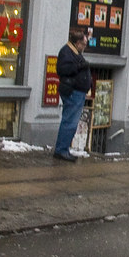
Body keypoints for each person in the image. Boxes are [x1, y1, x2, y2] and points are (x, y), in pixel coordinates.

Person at [53, 28, 91, 162]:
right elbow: (63, 69)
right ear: (77, 43)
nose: (84, 47)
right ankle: (61, 150)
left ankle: (63, 149)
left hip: (77, 92)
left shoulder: (74, 52)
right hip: (72, 92)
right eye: (83, 44)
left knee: (71, 122)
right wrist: (80, 66)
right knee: (69, 122)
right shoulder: (66, 52)